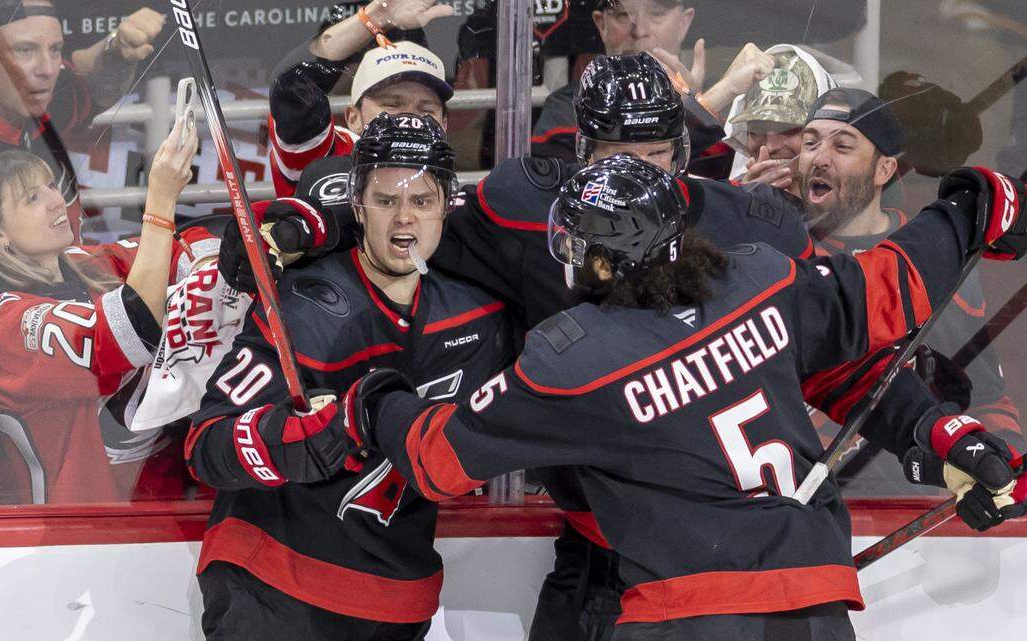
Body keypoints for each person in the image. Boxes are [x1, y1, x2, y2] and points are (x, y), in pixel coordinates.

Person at [221, 51, 815, 641]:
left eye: (655, 155)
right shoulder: (530, 209)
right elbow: (413, 218)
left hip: (730, 546)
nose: (637, 175)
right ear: (582, 150)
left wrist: (908, 414)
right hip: (598, 548)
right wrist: (305, 222)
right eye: (618, 156)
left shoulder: (757, 232)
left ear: (682, 153)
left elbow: (831, 351)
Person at [325, 153, 1027, 641]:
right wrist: (973, 209)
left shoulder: (574, 358)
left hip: (686, 615)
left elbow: (437, 461)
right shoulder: (761, 280)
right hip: (817, 603)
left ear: (602, 261)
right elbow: (879, 302)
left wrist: (379, 397)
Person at [187, 113, 512, 641]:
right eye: (385, 201)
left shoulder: (482, 313)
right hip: (274, 585)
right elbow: (206, 445)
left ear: (448, 206)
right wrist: (282, 442)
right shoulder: (306, 302)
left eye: (422, 201)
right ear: (358, 205)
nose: (403, 220)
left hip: (397, 599)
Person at [795, 87, 1027, 499]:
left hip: (918, 518)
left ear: (883, 170)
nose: (819, 157)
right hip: (802, 512)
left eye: (842, 146)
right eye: (808, 144)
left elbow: (986, 400)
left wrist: (1016, 467)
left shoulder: (938, 261)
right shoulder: (778, 261)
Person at [0, 117, 202, 505]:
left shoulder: (87, 262)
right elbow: (130, 333)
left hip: (166, 515)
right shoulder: (0, 325)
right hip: (79, 539)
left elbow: (197, 247)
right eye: (32, 198)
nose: (56, 201)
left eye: (51, 185)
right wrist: (161, 203)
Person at [0, 0, 166, 234]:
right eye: (24, 50)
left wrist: (118, 49)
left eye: (55, 49)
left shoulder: (22, 100)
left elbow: (90, 82)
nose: (48, 69)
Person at [530, 0, 775, 177]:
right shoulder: (566, 105)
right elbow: (574, 187)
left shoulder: (740, 103)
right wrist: (704, 104)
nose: (639, 31)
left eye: (656, 14)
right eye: (622, 15)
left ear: (684, 23)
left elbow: (711, 193)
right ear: (600, 24)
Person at [267, 0, 455, 197]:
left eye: (425, 110)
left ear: (444, 124)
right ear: (353, 118)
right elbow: (292, 85)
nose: (409, 118)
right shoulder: (326, 153)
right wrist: (375, 18)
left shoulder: (444, 168)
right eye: (392, 105)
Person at [722, 45, 837, 194]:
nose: (770, 147)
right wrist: (743, 204)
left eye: (788, 129)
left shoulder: (852, 205)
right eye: (756, 129)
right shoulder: (724, 202)